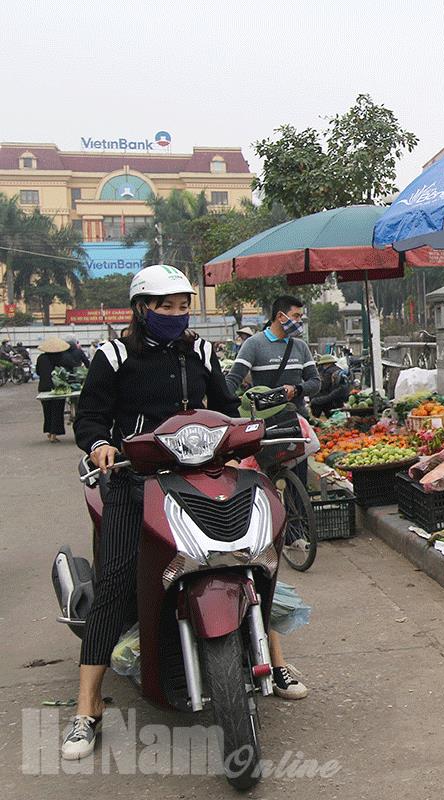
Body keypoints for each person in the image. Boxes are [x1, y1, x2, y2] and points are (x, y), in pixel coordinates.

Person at [63, 265, 307, 761]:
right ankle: (86, 708)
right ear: (142, 309)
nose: (175, 315)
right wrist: (101, 446)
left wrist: (243, 438)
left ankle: (275, 660)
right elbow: (89, 417)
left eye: (181, 306)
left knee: (253, 557)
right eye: (164, 306)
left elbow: (225, 404)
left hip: (199, 472)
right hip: (136, 478)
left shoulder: (199, 351)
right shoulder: (113, 356)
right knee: (115, 584)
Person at [35, 336, 74, 442]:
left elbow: (38, 372)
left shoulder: (41, 358)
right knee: (57, 410)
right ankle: (54, 434)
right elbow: (68, 371)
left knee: (47, 410)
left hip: (43, 387)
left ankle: (49, 432)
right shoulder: (61, 357)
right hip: (58, 387)